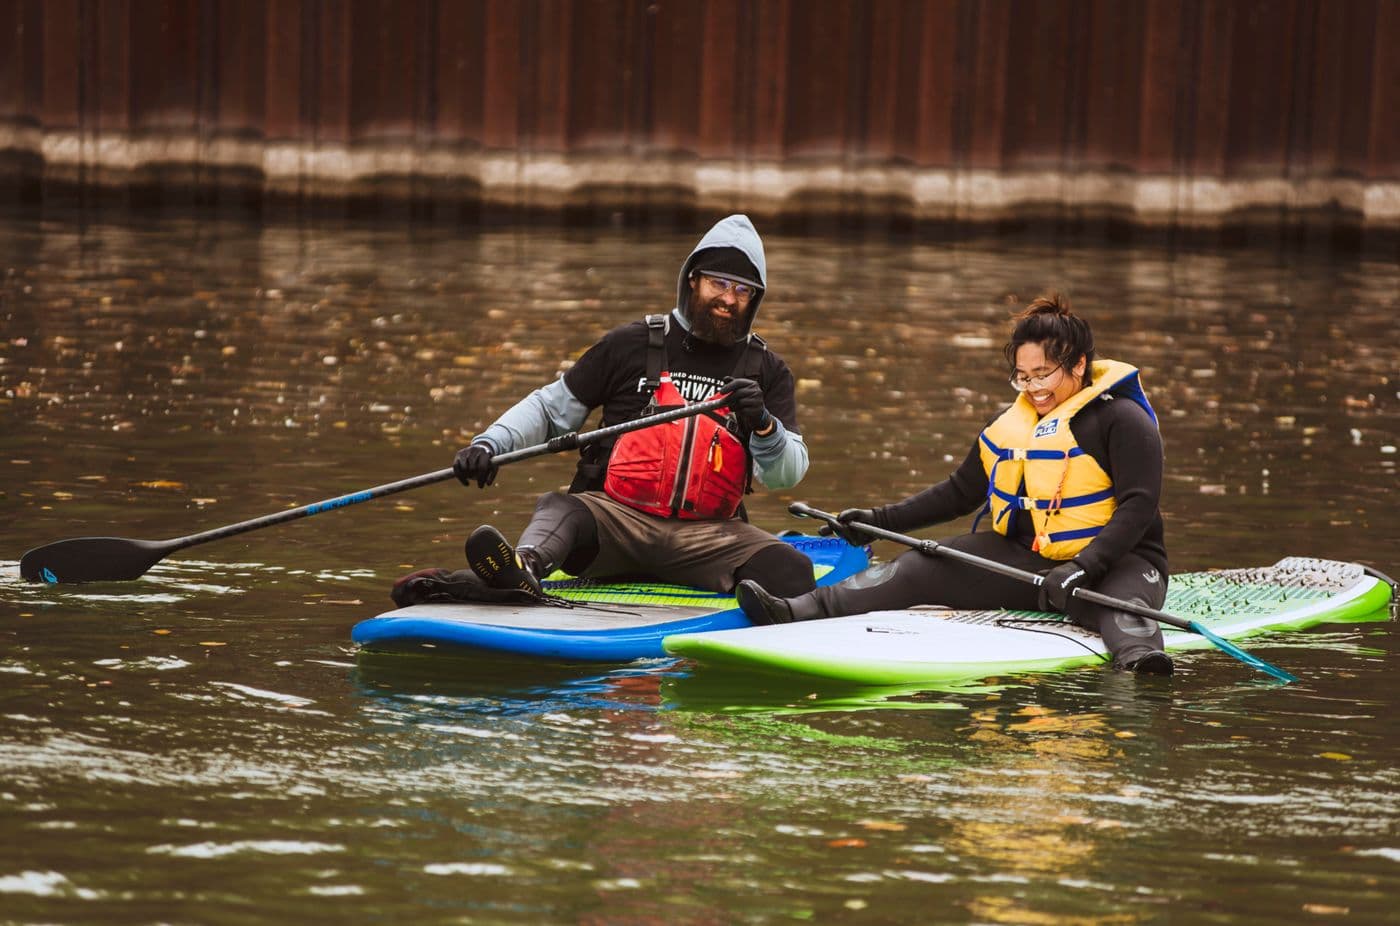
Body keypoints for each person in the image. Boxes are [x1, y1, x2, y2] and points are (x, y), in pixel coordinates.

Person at [736, 294, 1175, 675]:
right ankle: (793, 611)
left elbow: (1138, 507)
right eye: (1023, 377)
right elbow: (959, 493)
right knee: (912, 567)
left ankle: (1138, 670)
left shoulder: (1124, 419)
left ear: (1079, 364)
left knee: (1126, 617)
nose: (1034, 389)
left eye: (1045, 374)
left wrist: (1085, 566)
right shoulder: (1009, 428)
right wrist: (876, 521)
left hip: (1116, 564)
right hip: (1026, 562)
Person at [451, 213, 815, 601]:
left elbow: (786, 475)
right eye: (719, 283)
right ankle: (523, 570)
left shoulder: (768, 371)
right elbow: (549, 410)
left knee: (794, 573)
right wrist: (490, 446)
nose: (728, 298)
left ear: (754, 298)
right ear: (693, 279)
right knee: (560, 508)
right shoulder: (631, 343)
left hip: (707, 536)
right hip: (615, 524)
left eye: (742, 290)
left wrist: (763, 423)